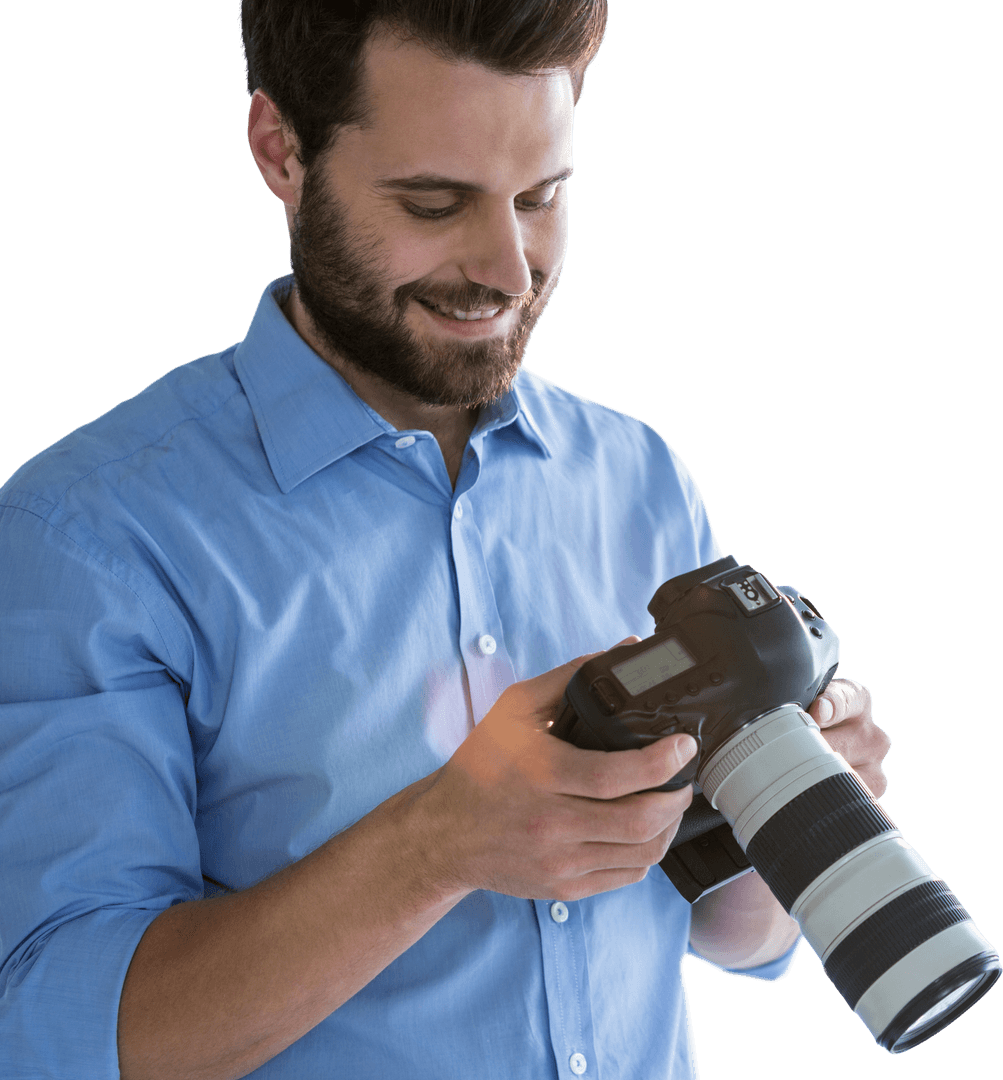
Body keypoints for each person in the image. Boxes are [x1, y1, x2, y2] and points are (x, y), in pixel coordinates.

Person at [0, 3, 892, 1078]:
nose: (506, 270)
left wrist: (786, 810)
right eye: (434, 202)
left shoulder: (637, 475)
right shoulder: (90, 538)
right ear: (280, 149)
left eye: (540, 197)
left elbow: (724, 932)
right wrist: (434, 846)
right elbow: (59, 1031)